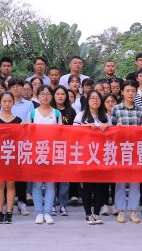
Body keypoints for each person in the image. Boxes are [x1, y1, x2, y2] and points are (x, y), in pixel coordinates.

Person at [110, 79, 142, 224]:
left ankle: (133, 211)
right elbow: (111, 130)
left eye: (133, 91)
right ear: (122, 92)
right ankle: (120, 210)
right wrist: (116, 128)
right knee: (120, 182)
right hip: (120, 150)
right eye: (127, 91)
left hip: (135, 150)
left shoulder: (140, 110)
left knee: (135, 182)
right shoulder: (116, 109)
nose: (130, 93)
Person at [73, 90, 109, 225]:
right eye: (92, 98)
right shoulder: (81, 115)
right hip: (86, 155)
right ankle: (88, 213)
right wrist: (86, 126)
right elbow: (73, 132)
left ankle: (97, 213)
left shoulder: (105, 116)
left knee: (100, 186)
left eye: (97, 98)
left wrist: (107, 127)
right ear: (87, 101)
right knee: (87, 186)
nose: (95, 100)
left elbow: (112, 134)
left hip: (102, 156)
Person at [28, 85, 61, 225]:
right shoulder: (32, 113)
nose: (45, 97)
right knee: (36, 185)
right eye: (42, 94)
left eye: (48, 94)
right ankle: (38, 213)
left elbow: (61, 134)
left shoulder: (57, 113)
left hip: (51, 153)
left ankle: (47, 212)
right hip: (37, 153)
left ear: (52, 96)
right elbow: (27, 134)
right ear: (38, 96)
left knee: (50, 185)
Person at [0, 92, 20, 224]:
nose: (7, 104)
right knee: (0, 184)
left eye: (9, 101)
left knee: (11, 184)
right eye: (4, 101)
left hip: (12, 156)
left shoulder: (18, 120)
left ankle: (9, 212)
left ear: (13, 102)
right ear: (0, 103)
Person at [8, 78, 34, 216]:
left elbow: (31, 122)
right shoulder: (6, 102)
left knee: (22, 175)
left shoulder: (29, 104)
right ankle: (9, 203)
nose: (16, 88)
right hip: (8, 143)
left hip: (23, 143)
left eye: (19, 86)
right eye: (13, 86)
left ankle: (22, 202)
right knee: (8, 176)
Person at [52, 85, 76, 215]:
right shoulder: (49, 110)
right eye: (58, 94)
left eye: (62, 94)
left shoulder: (71, 111)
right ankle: (51, 204)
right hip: (50, 148)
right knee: (51, 179)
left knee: (64, 179)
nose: (60, 96)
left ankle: (63, 205)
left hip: (67, 148)